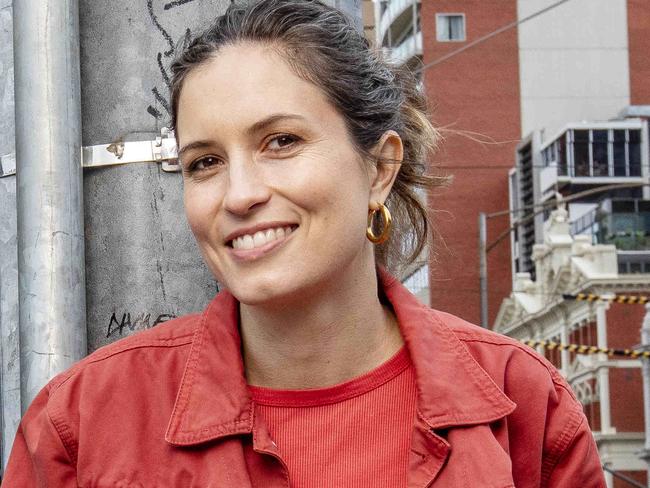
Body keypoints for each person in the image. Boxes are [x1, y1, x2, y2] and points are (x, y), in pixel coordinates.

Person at [4, 1, 606, 486]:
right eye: (205, 162)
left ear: (378, 168)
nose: (238, 194)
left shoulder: (523, 407)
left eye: (281, 142)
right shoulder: (82, 420)